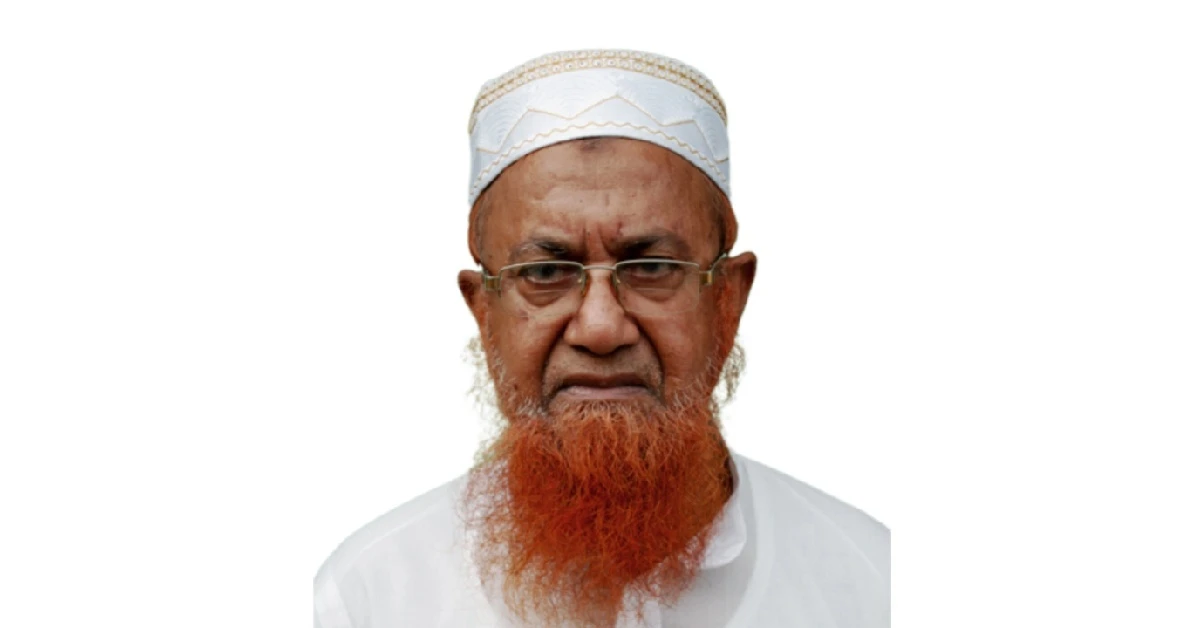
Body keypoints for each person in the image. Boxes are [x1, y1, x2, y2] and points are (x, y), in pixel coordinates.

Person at [314, 49, 889, 628]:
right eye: (544, 272)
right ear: (483, 311)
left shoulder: (873, 583)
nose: (600, 328)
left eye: (652, 267)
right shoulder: (367, 599)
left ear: (728, 299)